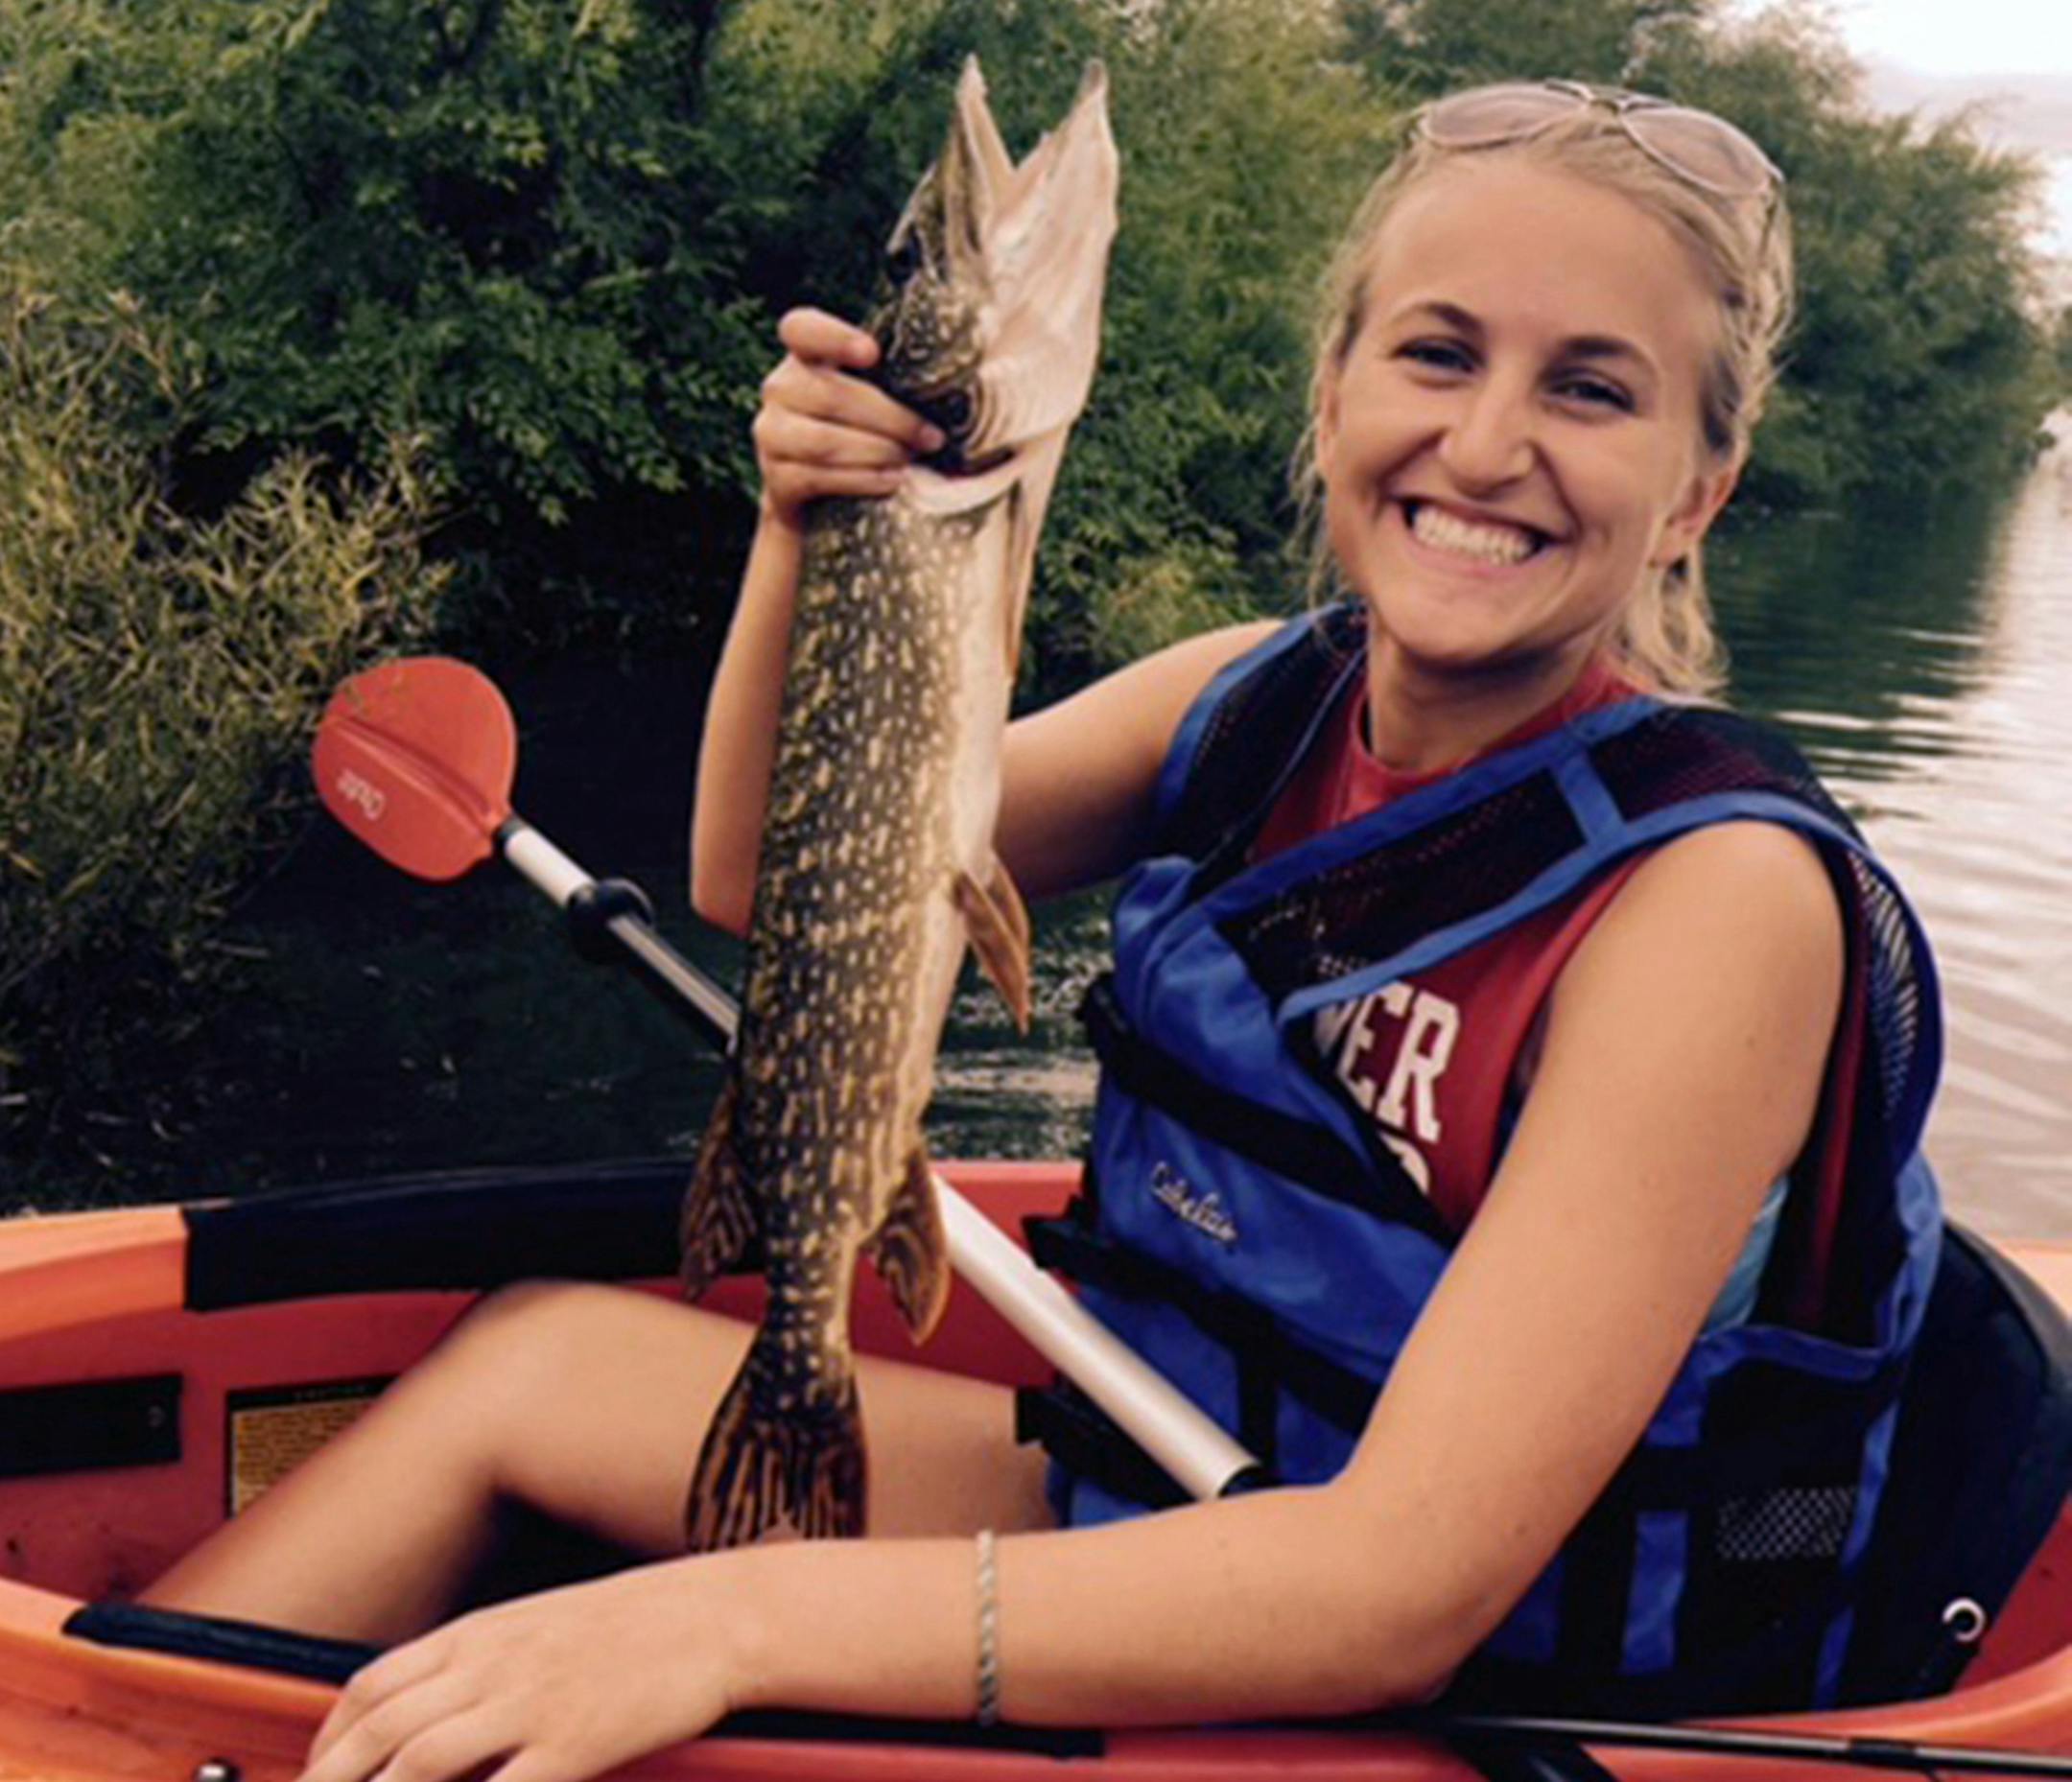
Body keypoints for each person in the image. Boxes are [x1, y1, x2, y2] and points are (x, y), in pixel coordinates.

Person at [143, 80, 1950, 1782]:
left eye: (1592, 390)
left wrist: (733, 1615)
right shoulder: (1252, 707)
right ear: (1333, 398)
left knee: (677, 1612)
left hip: (1444, 1684)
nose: (1487, 443)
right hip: (1149, 1476)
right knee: (529, 1361)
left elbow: (1399, 1586)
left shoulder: (1713, 906)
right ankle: (116, 1722)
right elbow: (761, 882)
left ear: (1701, 489)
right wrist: (813, 531)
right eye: (1439, 352)